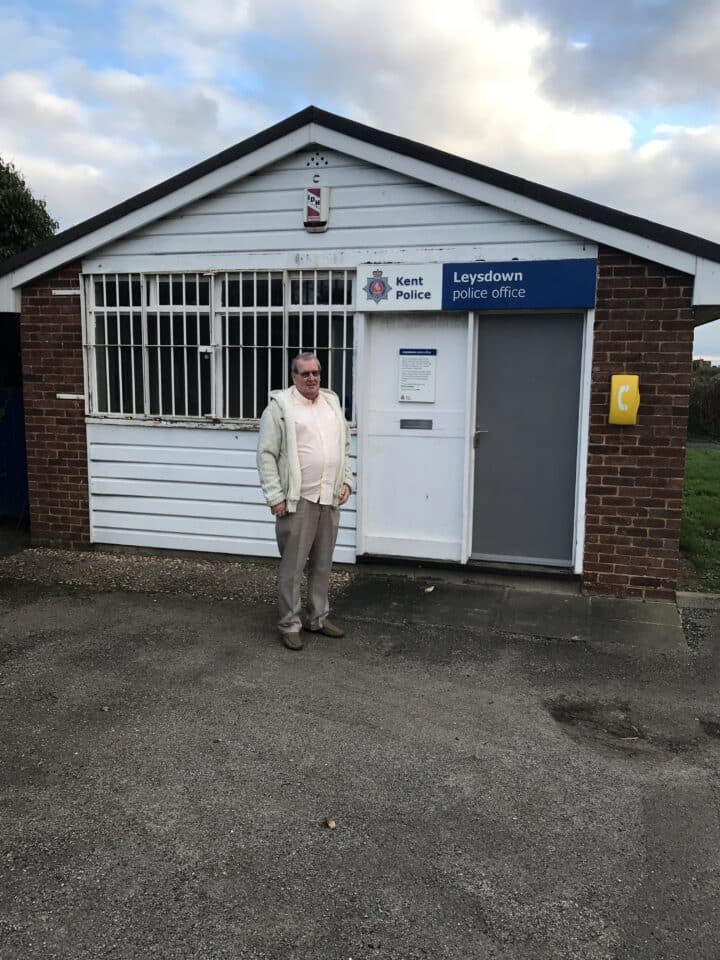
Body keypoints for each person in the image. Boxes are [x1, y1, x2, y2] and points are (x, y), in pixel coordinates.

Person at [257, 352, 353, 650]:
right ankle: (289, 624)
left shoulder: (331, 403)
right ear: (293, 376)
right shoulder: (280, 408)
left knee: (322, 565)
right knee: (293, 567)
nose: (312, 378)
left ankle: (318, 619)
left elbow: (344, 446)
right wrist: (275, 496)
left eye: (316, 372)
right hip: (297, 500)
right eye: (305, 374)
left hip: (329, 497)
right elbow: (266, 455)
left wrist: (347, 479)